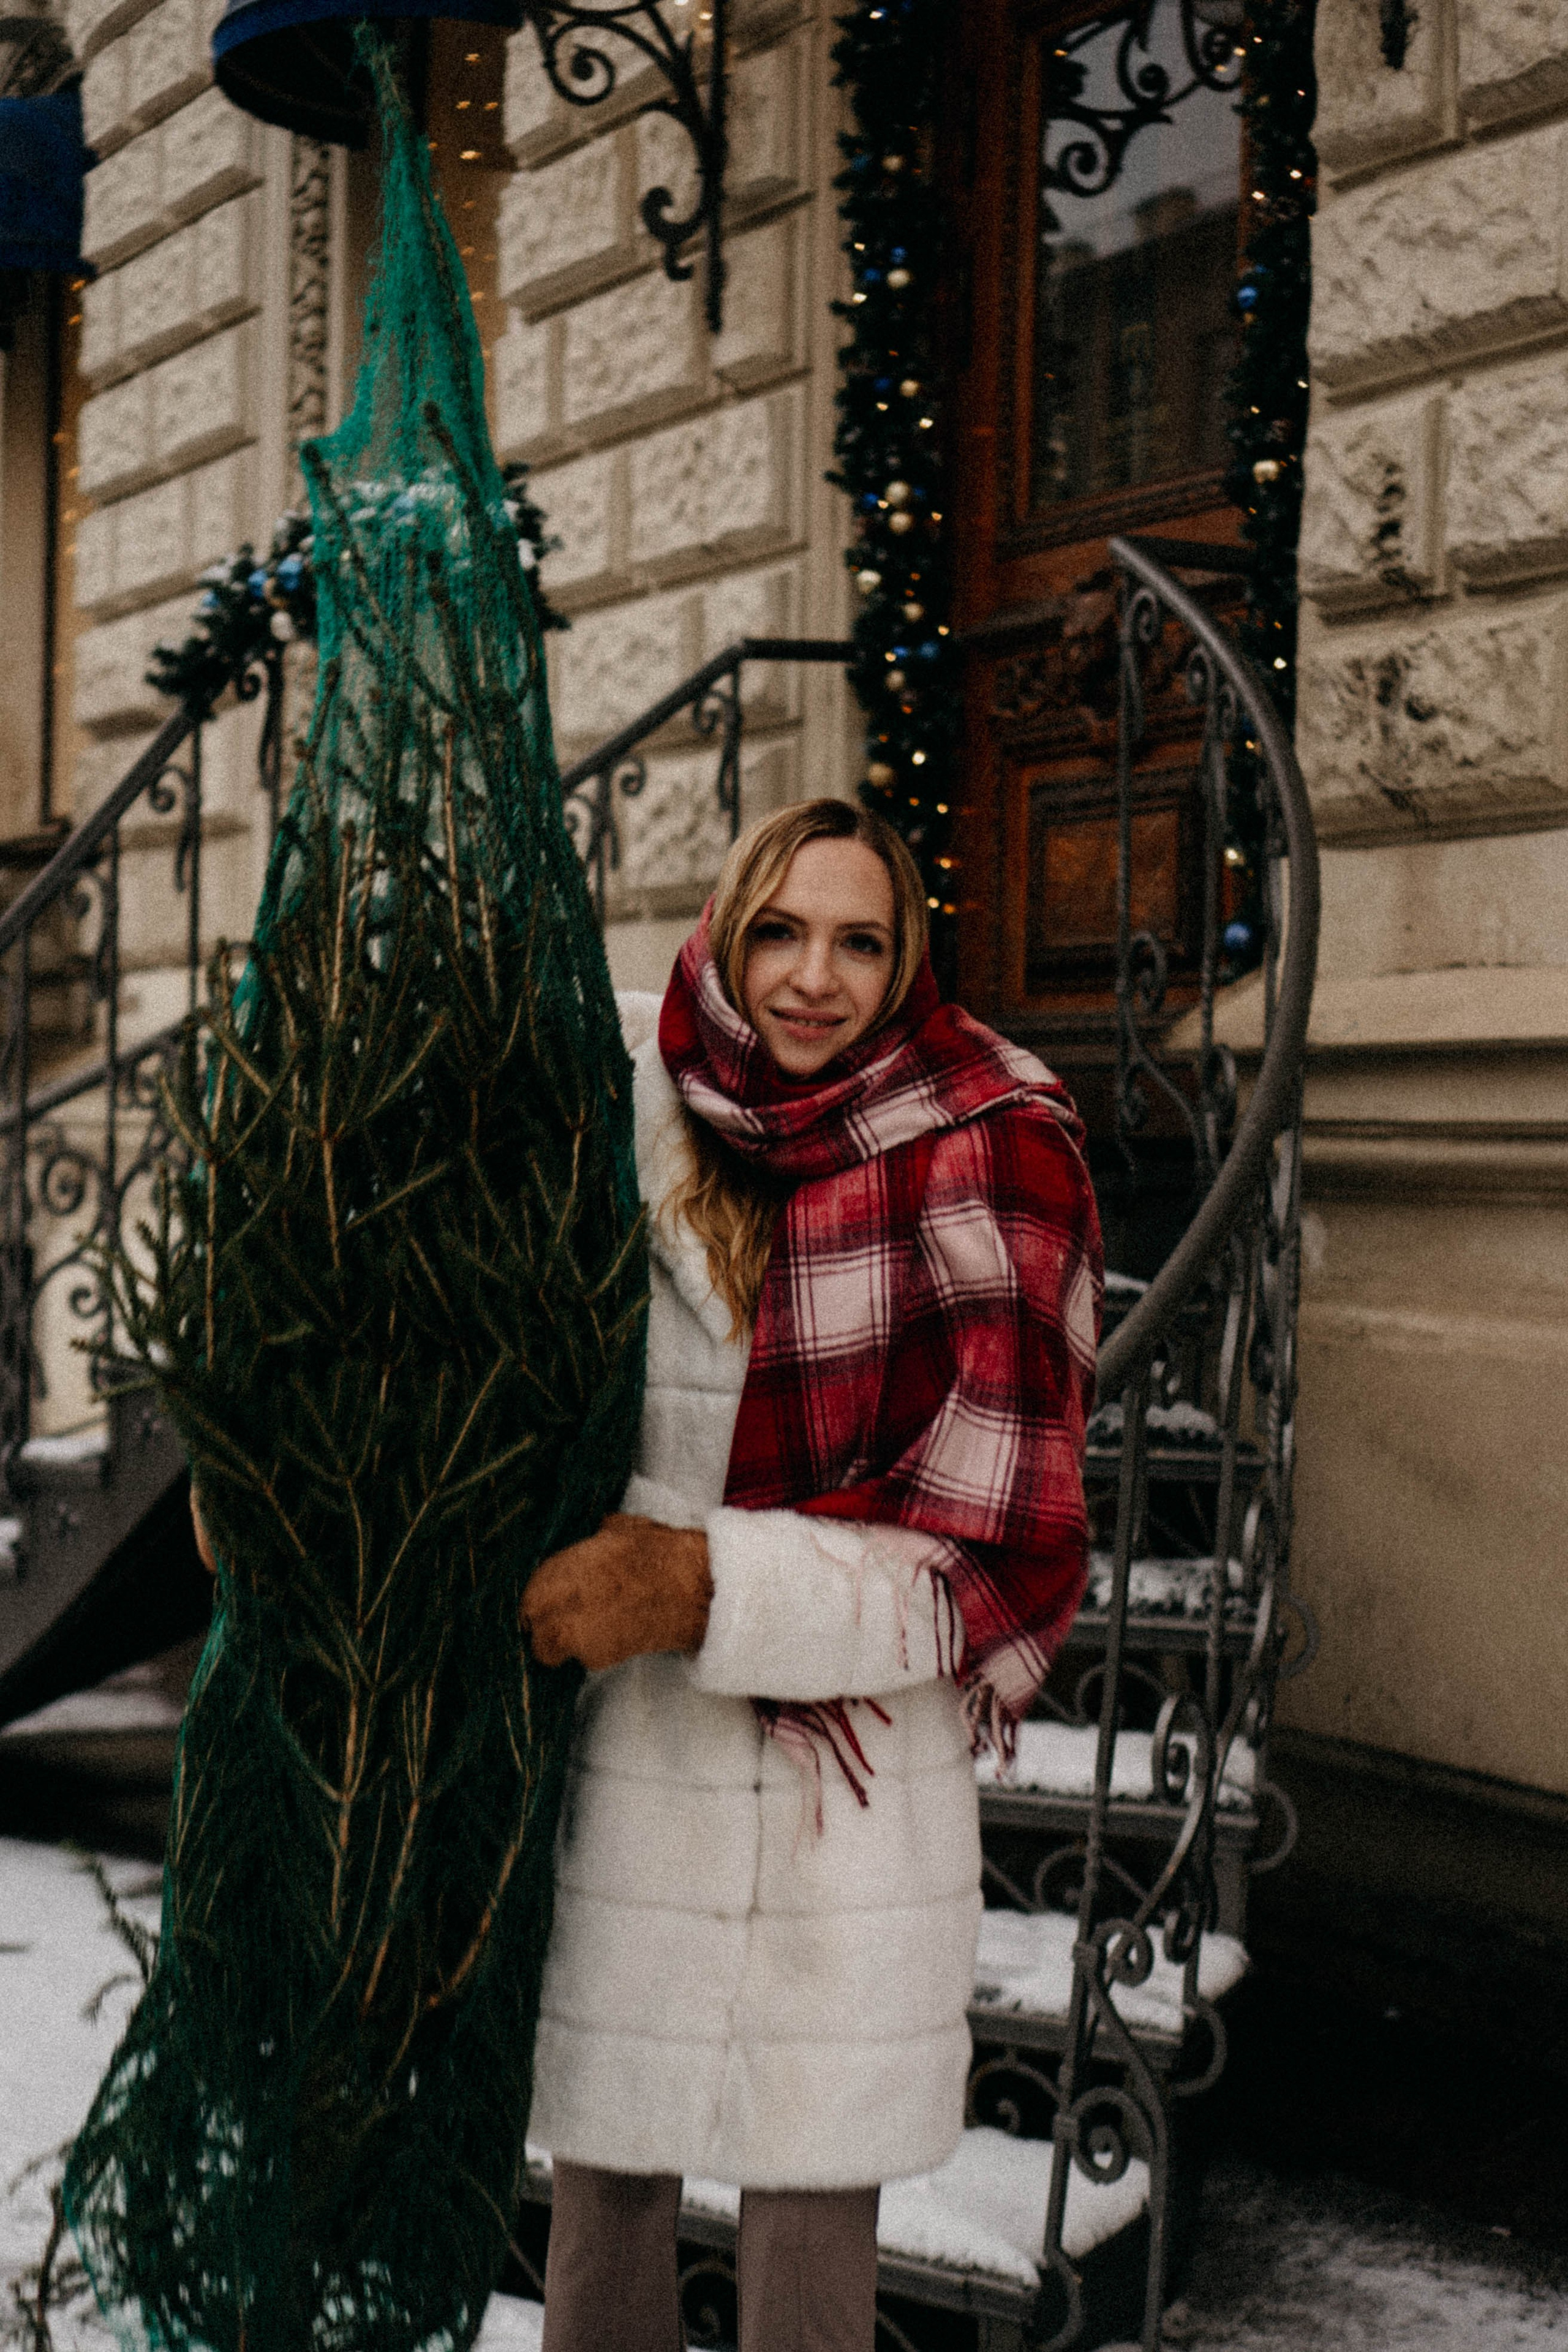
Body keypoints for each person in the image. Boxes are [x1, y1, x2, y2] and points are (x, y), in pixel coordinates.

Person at [521, 797, 1103, 2352]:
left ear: (906, 960)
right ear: (724, 934)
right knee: (602, 2211)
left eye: (858, 942)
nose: (809, 979)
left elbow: (993, 1553)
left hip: (851, 1788)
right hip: (638, 1753)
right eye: (776, 931)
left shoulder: (992, 1144)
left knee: (809, 2255)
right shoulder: (628, 1103)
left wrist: (708, 1586)